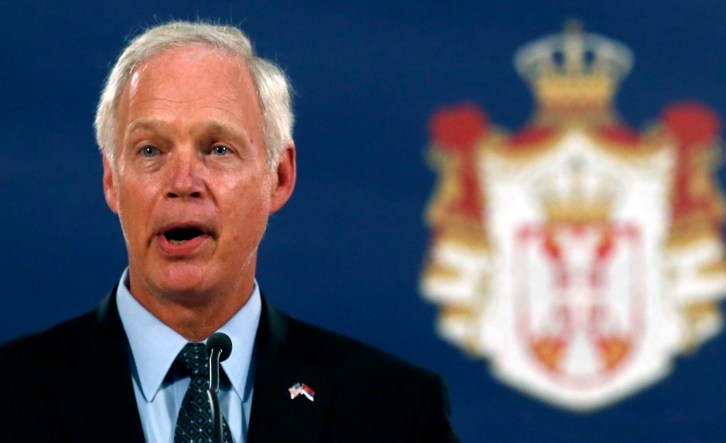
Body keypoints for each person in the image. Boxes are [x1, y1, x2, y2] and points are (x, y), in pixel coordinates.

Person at [0, 21, 458, 443]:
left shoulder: (395, 412)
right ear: (111, 181)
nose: (182, 183)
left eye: (218, 149)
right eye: (150, 150)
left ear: (279, 177)